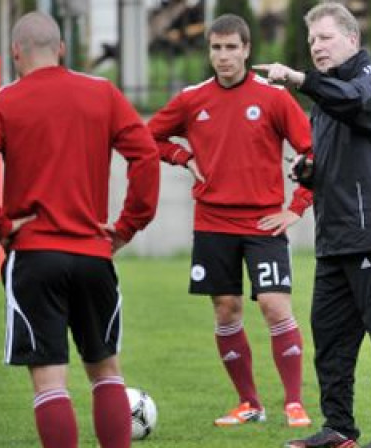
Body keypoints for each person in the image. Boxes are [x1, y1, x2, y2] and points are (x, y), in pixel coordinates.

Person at [0, 12, 160, 448]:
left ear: (15, 53)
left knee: (50, 381)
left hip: (34, 256)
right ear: (62, 49)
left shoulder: (0, 102)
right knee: (106, 371)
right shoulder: (102, 93)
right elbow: (145, 153)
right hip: (93, 255)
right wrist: (127, 227)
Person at [254, 2, 371, 447]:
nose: (316, 47)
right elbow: (334, 153)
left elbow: (356, 103)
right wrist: (310, 171)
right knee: (330, 340)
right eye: (311, 41)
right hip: (334, 238)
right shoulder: (324, 102)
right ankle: (339, 428)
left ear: (351, 39)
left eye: (324, 38)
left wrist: (301, 80)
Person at [147, 14, 313, 428]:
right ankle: (249, 403)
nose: (223, 56)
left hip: (263, 224)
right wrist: (183, 158)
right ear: (209, 52)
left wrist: (297, 206)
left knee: (275, 306)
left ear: (246, 50)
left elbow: (313, 152)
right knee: (226, 310)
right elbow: (148, 136)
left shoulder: (274, 98)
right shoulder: (191, 99)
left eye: (231, 48)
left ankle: (294, 402)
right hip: (212, 222)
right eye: (216, 48)